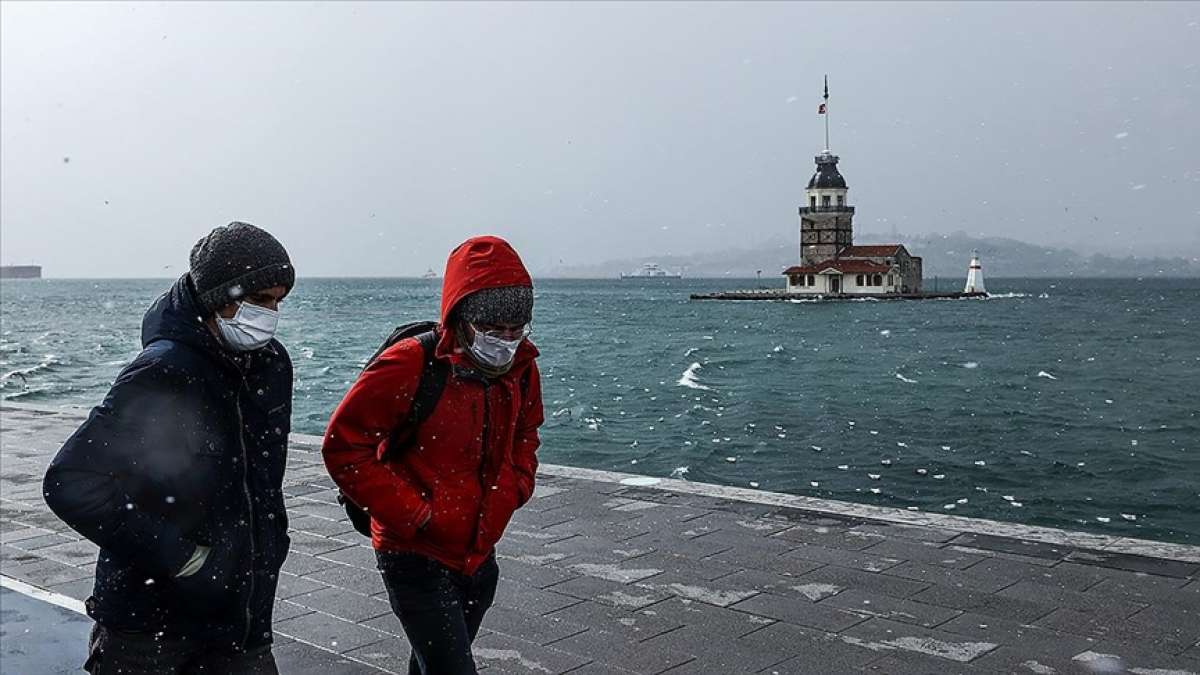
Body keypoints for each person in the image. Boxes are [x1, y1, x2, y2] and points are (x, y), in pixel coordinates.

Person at [43, 222, 296, 674]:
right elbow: (70, 482)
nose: (271, 314)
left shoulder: (271, 366)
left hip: (244, 617)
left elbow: (261, 476)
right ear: (220, 296)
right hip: (150, 628)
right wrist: (182, 557)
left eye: (278, 301)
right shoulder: (164, 370)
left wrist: (270, 543)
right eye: (259, 300)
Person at [322, 235, 544, 675]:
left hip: (480, 552)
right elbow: (344, 447)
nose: (505, 341)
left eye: (516, 329)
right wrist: (416, 514)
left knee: (431, 665)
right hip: (413, 555)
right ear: (461, 318)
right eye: (493, 330)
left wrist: (515, 488)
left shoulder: (521, 368)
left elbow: (526, 432)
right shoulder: (409, 364)